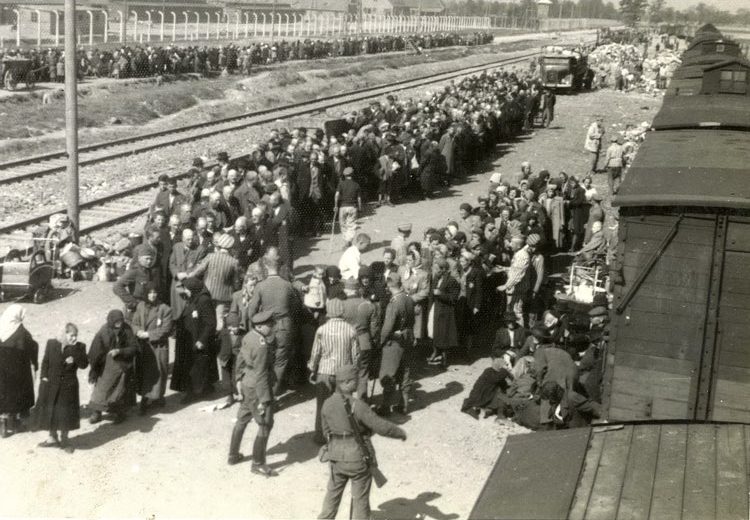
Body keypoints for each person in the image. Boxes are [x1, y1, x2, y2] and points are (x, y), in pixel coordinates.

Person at [317, 364, 407, 520]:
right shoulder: (357, 406)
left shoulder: (327, 403)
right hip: (358, 458)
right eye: (355, 380)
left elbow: (326, 431)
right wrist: (399, 433)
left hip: (335, 457)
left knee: (332, 497)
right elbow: (381, 427)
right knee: (360, 502)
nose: (358, 383)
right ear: (346, 383)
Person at [227, 310, 278, 477]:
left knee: (242, 418)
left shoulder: (248, 336)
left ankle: (233, 455)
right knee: (265, 424)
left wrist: (239, 380)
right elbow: (262, 374)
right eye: (270, 325)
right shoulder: (262, 345)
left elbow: (240, 359)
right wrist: (265, 399)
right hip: (258, 387)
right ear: (261, 326)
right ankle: (258, 463)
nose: (273, 327)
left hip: (247, 383)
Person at [307, 298, 359, 445]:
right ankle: (343, 434)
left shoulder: (321, 330)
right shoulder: (350, 330)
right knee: (344, 405)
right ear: (342, 311)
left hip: (324, 372)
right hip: (344, 374)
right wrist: (354, 371)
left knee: (322, 405)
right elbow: (356, 355)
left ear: (328, 312)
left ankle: (320, 435)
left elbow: (315, 353)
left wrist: (312, 368)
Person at [34, 323, 88, 453]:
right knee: (51, 411)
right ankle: (52, 437)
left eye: (76, 336)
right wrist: (43, 377)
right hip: (51, 384)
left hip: (68, 386)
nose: (74, 338)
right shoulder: (52, 343)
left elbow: (84, 364)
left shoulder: (80, 347)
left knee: (65, 414)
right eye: (71, 335)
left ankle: (65, 439)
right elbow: (45, 361)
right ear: (64, 333)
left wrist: (74, 355)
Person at [247, 256, 297, 396]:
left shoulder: (260, 286)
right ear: (279, 267)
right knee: (280, 361)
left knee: (266, 360)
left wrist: (256, 323)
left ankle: (263, 393)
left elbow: (251, 310)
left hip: (266, 327)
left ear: (266, 267)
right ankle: (273, 393)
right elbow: (295, 306)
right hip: (284, 326)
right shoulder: (287, 284)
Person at [170, 277, 217, 403]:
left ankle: (194, 393)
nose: (185, 291)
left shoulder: (203, 300)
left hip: (197, 340)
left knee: (195, 368)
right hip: (189, 339)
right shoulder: (193, 297)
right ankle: (201, 389)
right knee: (193, 367)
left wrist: (202, 340)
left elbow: (211, 323)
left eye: (186, 289)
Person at [88, 310, 140, 424]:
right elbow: (95, 350)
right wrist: (96, 367)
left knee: (119, 391)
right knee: (100, 390)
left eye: (121, 320)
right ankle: (97, 412)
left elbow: (134, 347)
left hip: (122, 364)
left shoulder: (127, 329)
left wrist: (120, 351)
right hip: (106, 366)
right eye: (116, 321)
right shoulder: (104, 331)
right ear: (111, 320)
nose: (119, 323)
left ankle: (119, 413)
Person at [132, 283, 173, 414]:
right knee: (145, 372)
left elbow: (166, 329)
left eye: (155, 292)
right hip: (144, 346)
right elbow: (135, 322)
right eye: (149, 292)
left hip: (158, 346)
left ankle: (157, 397)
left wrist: (148, 334)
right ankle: (145, 400)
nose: (152, 295)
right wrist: (138, 331)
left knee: (159, 372)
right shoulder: (140, 306)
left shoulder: (165, 309)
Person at [378, 273, 415, 415]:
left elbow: (387, 327)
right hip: (408, 338)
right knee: (405, 371)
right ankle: (404, 405)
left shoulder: (394, 303)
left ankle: (386, 407)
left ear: (388, 285)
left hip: (395, 341)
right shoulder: (408, 298)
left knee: (389, 373)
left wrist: (381, 342)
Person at [0, 305, 39, 437]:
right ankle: (15, 423)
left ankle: (3, 425)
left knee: (3, 393)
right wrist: (35, 363)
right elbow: (33, 346)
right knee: (17, 394)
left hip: (1, 370)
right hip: (17, 369)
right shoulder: (21, 331)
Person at [427, 258, 460, 368]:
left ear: (444, 269)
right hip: (435, 309)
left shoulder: (452, 281)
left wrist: (440, 294)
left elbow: (453, 298)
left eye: (437, 269)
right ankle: (435, 351)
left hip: (445, 312)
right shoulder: (436, 278)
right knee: (434, 331)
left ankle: (445, 357)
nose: (435, 271)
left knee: (444, 334)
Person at [497, 236, 530, 327]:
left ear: (518, 245)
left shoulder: (522, 255)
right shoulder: (519, 253)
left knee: (516, 313)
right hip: (514, 289)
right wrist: (504, 269)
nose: (510, 245)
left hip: (517, 290)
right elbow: (514, 269)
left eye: (512, 243)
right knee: (512, 312)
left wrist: (506, 286)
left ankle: (519, 335)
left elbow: (518, 274)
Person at [334, 167, 362, 248]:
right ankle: (349, 241)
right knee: (351, 225)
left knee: (343, 225)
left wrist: (336, 205)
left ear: (344, 175)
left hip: (343, 206)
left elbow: (336, 195)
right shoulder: (356, 185)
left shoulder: (341, 183)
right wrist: (360, 208)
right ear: (352, 174)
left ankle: (346, 241)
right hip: (353, 207)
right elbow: (359, 198)